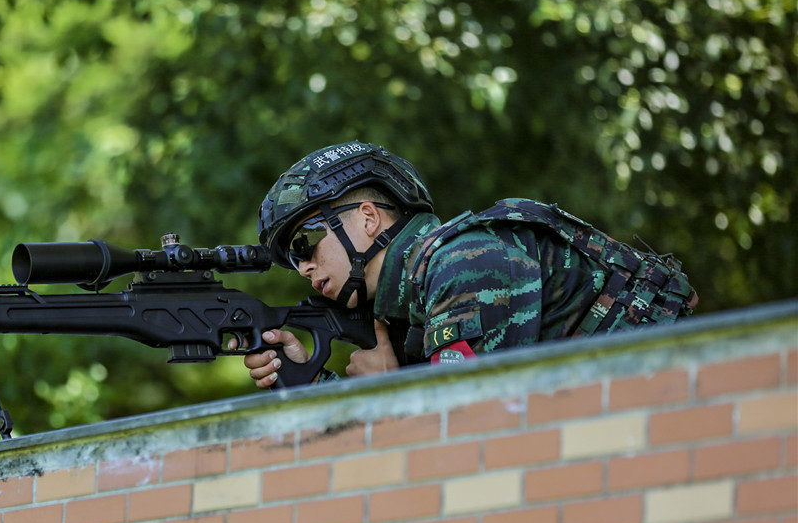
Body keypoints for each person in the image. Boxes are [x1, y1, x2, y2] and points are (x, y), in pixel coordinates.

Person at [241, 141, 698, 388]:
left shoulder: (464, 265)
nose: (302, 267)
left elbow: (463, 438)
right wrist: (309, 381)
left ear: (366, 218)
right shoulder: (410, 304)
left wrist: (384, 391)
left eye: (306, 242)